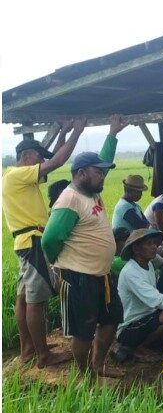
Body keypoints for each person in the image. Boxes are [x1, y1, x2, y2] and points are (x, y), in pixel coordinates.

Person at [41, 114, 127, 377]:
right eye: (98, 172)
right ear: (81, 174)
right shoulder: (70, 199)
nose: (102, 176)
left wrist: (112, 134)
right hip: (79, 278)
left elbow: (103, 158)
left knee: (111, 320)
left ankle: (98, 365)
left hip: (101, 275)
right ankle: (83, 376)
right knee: (84, 330)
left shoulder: (91, 191)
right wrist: (61, 266)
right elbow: (50, 240)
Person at [2, 117, 86, 368]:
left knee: (24, 298)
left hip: (24, 242)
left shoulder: (15, 176)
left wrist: (61, 132)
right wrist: (77, 132)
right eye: (38, 159)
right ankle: (43, 356)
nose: (42, 164)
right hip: (33, 241)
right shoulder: (18, 175)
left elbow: (51, 157)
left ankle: (28, 349)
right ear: (27, 157)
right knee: (36, 300)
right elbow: (57, 161)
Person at [116, 228, 163, 361]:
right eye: (149, 244)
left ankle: (153, 342)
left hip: (147, 315)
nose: (154, 247)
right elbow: (157, 300)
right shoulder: (131, 272)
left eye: (154, 243)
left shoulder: (149, 265)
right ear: (136, 249)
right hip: (130, 326)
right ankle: (138, 348)